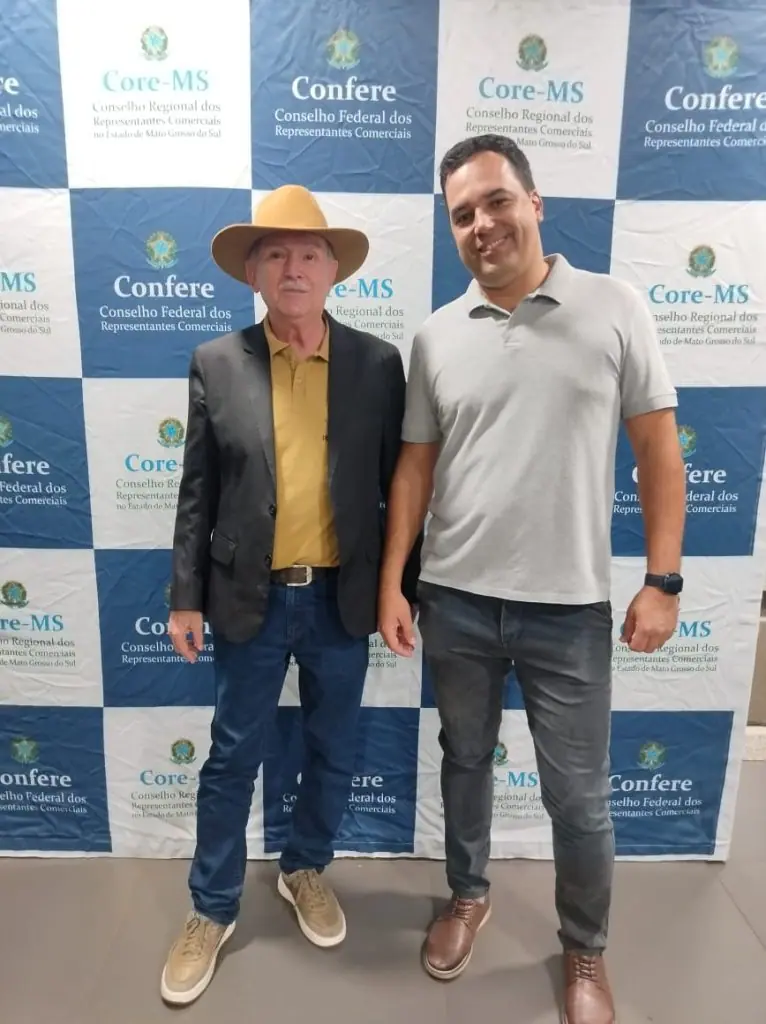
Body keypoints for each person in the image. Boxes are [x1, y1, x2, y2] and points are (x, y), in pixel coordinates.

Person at [378, 134, 685, 1024]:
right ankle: (466, 895)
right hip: (456, 602)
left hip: (570, 610)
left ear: (535, 202)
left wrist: (663, 579)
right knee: (465, 761)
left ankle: (584, 950)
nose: (481, 224)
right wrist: (394, 581)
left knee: (579, 799)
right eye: (462, 214)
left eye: (496, 201)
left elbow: (659, 451)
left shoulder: (615, 307)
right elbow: (414, 470)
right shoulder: (437, 335)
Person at [161, 184, 420, 1006]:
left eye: (309, 253)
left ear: (334, 269)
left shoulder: (377, 364)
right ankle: (211, 908)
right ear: (253, 272)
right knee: (232, 755)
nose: (293, 268)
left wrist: (399, 589)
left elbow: (400, 487)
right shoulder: (216, 362)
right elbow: (197, 490)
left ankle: (305, 867)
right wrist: (185, 596)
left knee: (334, 747)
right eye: (275, 254)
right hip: (249, 598)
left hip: (342, 598)